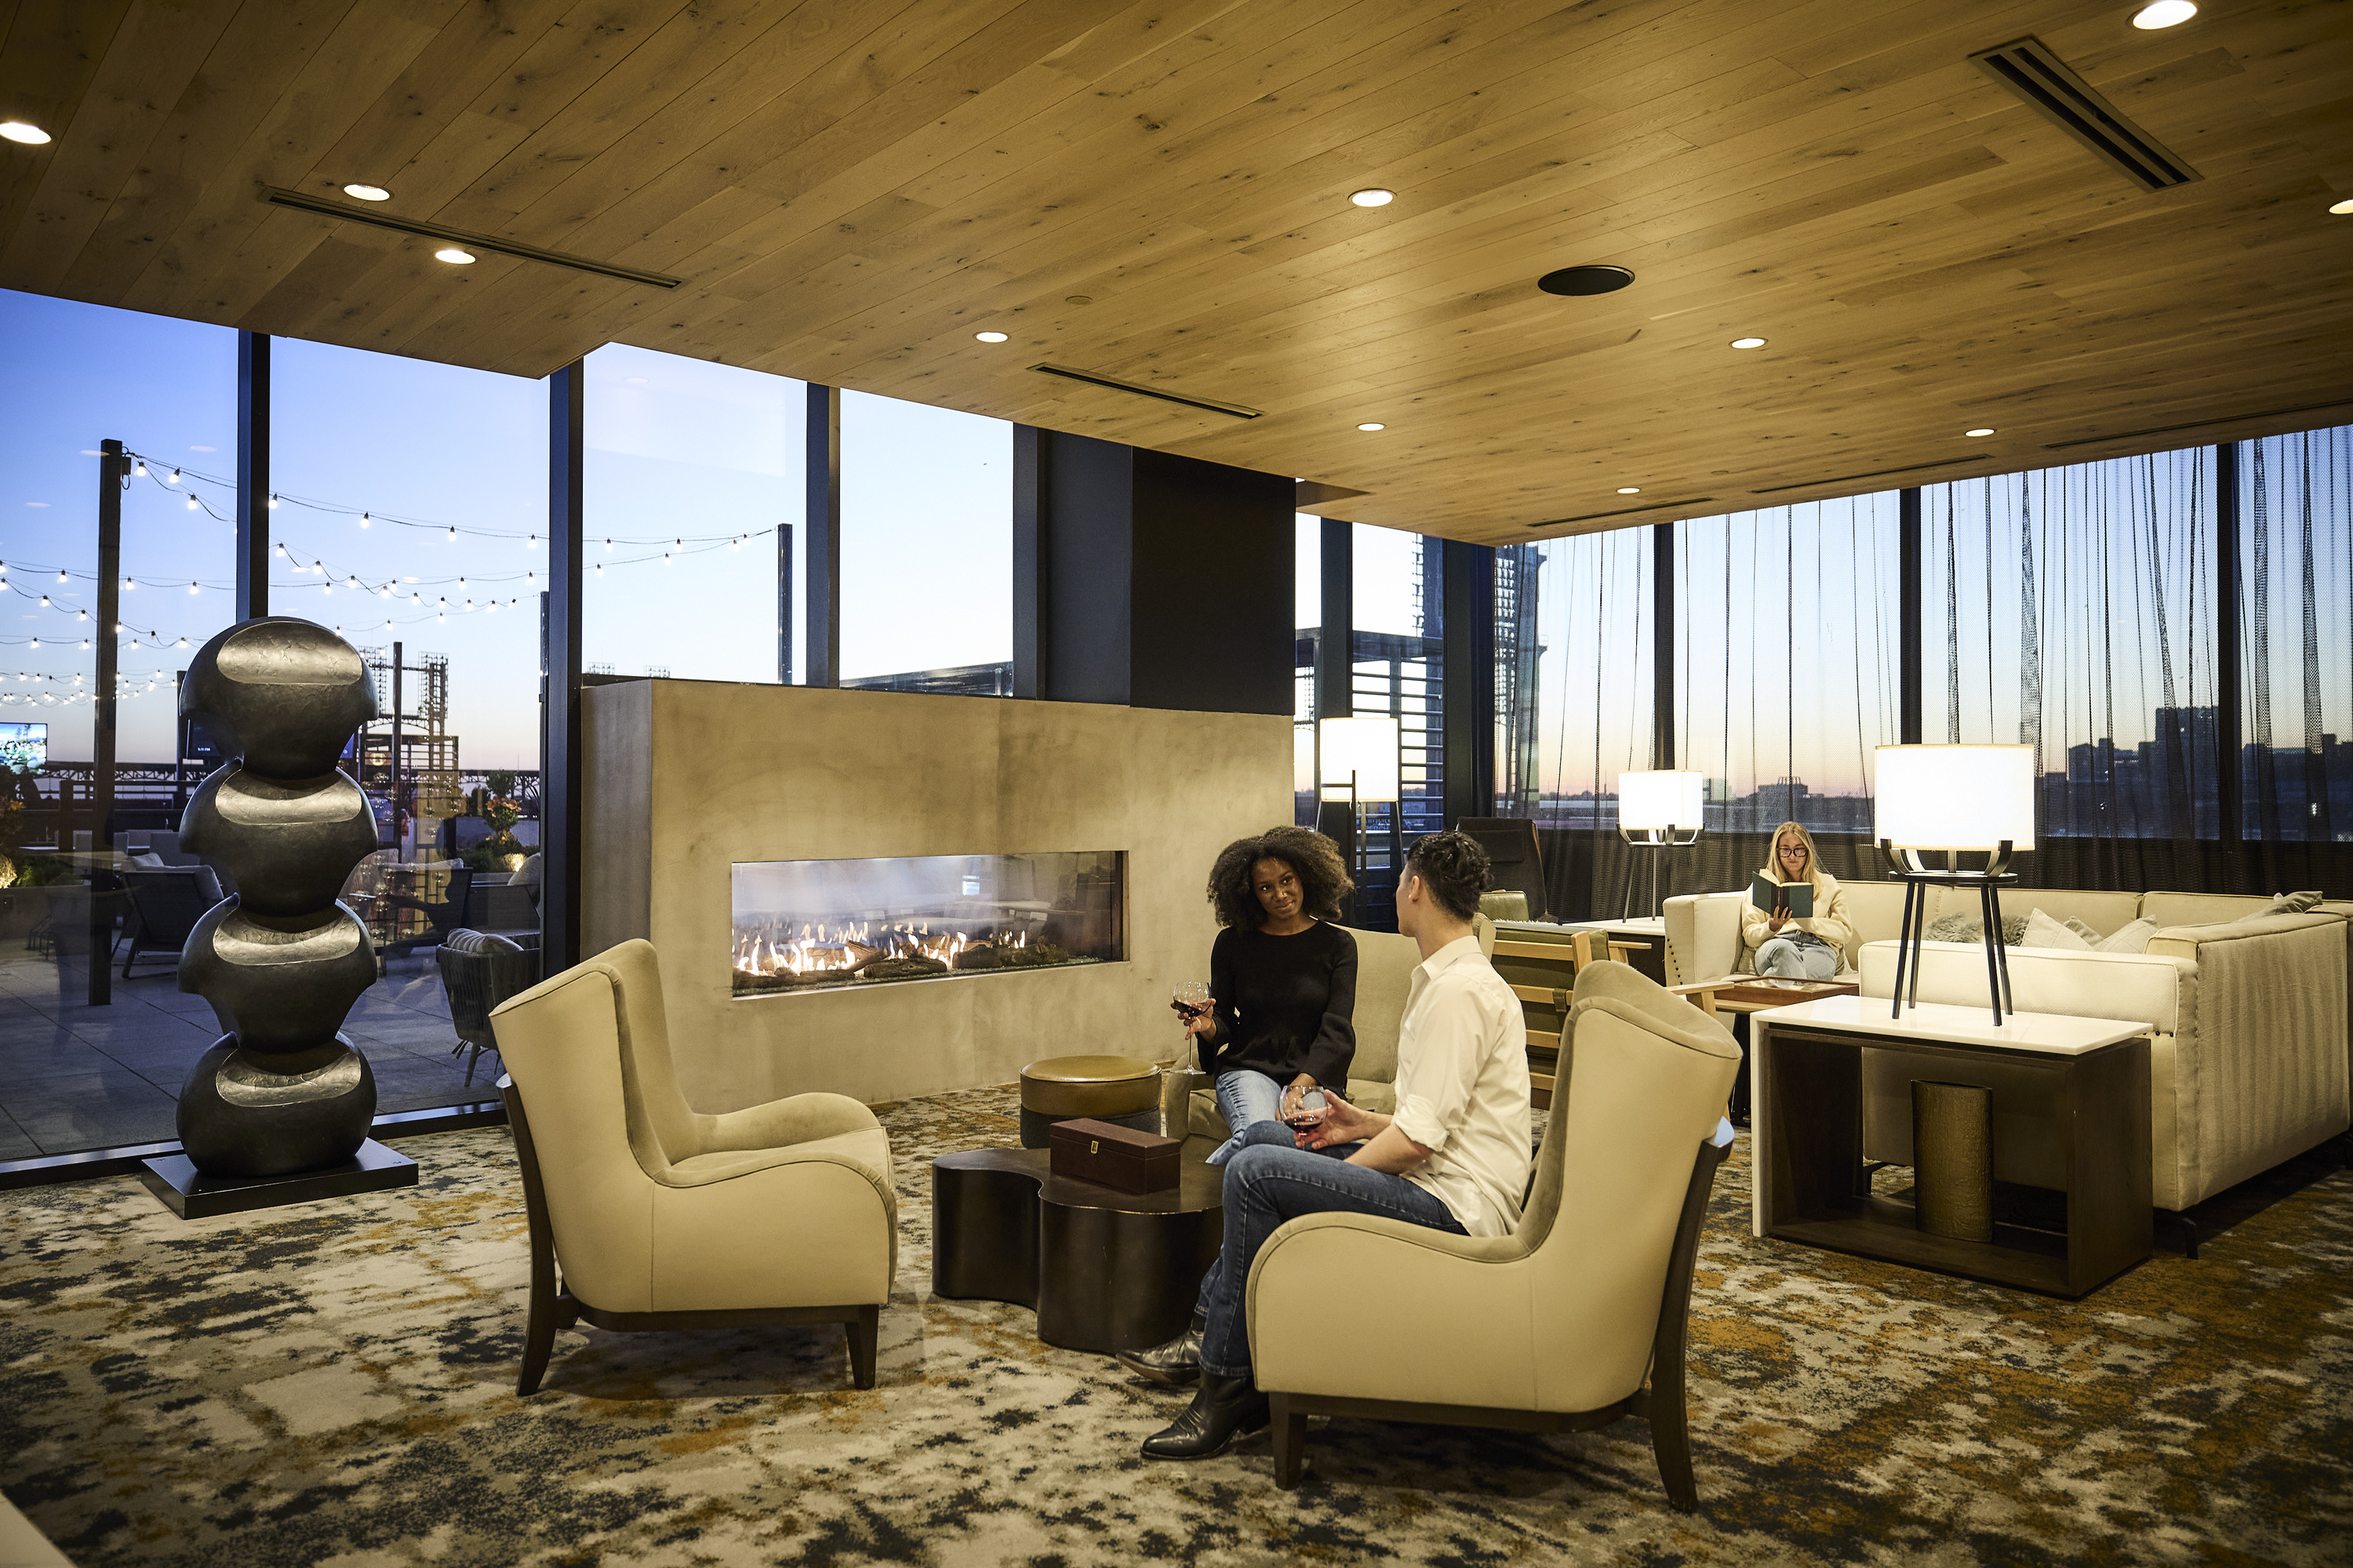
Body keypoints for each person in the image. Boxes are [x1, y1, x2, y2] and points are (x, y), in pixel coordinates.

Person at [1122, 830, 1531, 1461]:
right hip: (1438, 1174)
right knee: (1262, 1135)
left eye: (1400, 878)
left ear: (1416, 887)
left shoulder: (1458, 993)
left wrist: (1329, 1182)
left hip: (1456, 1204)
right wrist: (1356, 1124)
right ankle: (1243, 1355)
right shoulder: (1447, 978)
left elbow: (1420, 1141)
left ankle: (1226, 1383)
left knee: (1256, 1171)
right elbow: (1435, 1118)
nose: (1396, 888)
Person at [1175, 826, 1358, 1166]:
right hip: (1250, 1068)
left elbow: (1338, 1032)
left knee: (1291, 1144)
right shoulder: (1232, 944)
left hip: (1313, 1075)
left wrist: (1297, 1089)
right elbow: (1226, 1022)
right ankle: (1190, 1201)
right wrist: (1208, 1027)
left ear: (1305, 877)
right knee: (1259, 1134)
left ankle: (1181, 1179)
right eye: (1266, 887)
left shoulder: (1339, 946)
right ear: (1250, 894)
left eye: (1287, 880)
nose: (1280, 893)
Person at [1741, 820, 1854, 980]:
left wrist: (1810, 924)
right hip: (1776, 944)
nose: (1792, 856)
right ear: (1777, 852)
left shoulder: (1828, 883)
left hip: (1817, 947)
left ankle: (1769, 984)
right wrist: (1770, 927)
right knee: (1785, 949)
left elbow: (1845, 932)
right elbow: (1749, 935)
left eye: (1798, 850)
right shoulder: (1762, 885)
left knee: (1796, 975)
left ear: (1808, 851)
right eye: (1786, 850)